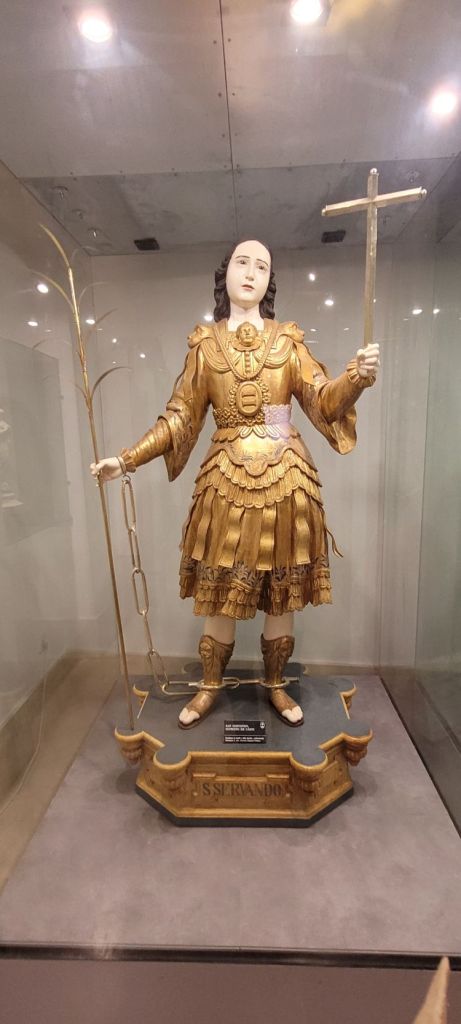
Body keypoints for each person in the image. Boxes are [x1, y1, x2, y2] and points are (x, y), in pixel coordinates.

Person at [91, 240, 380, 729]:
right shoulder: (206, 346)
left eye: (262, 266)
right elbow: (179, 417)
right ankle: (209, 685)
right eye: (242, 263)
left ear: (270, 281)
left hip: (288, 481)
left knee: (282, 592)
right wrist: (127, 459)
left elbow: (323, 401)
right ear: (225, 274)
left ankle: (275, 684)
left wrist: (356, 378)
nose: (251, 273)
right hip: (224, 482)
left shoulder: (287, 342)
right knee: (219, 587)